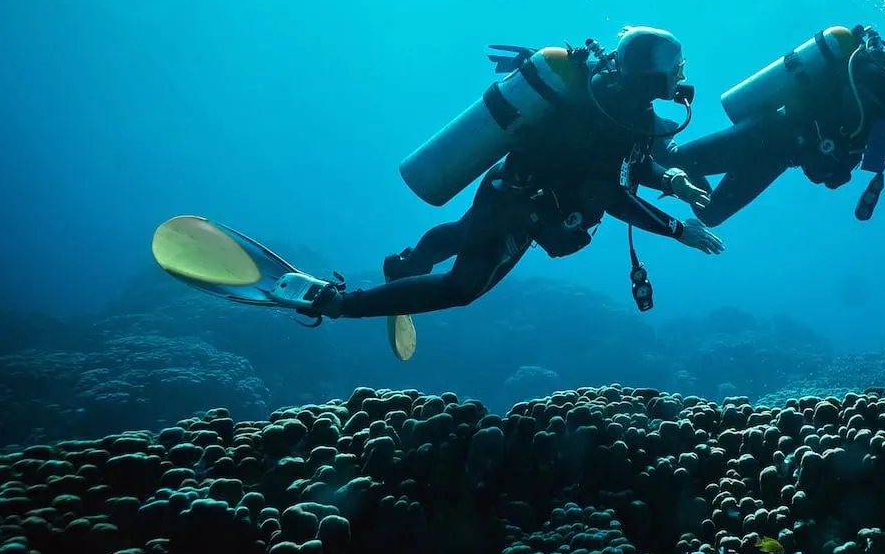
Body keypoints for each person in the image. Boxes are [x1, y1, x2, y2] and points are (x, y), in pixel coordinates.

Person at [296, 27, 725, 344]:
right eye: (675, 68)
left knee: (466, 232)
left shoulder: (619, 103)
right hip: (521, 209)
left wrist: (672, 180)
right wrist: (677, 230)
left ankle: (404, 267)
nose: (681, 75)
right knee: (461, 288)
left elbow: (631, 165)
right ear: (651, 77)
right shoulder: (611, 116)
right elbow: (611, 195)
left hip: (508, 190)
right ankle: (339, 304)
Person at [662, 22, 885, 226]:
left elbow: (873, 151)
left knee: (710, 216)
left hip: (781, 155)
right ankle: (652, 130)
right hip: (767, 133)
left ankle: (665, 155)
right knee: (669, 162)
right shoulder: (874, 74)